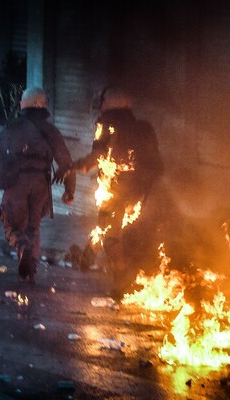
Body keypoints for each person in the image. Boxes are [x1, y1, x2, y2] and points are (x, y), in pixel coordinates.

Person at [74, 86, 164, 298]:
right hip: (139, 192)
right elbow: (156, 164)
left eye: (103, 100)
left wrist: (76, 166)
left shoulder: (106, 125)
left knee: (111, 237)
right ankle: (87, 257)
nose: (101, 104)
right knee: (104, 227)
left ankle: (121, 282)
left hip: (115, 190)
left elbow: (97, 156)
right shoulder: (142, 128)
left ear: (110, 102)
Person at [0, 87, 76, 284]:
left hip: (16, 182)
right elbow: (66, 162)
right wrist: (69, 190)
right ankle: (31, 267)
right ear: (44, 105)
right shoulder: (51, 131)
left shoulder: (13, 127)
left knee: (11, 222)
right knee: (33, 225)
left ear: (24, 104)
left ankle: (23, 247)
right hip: (41, 183)